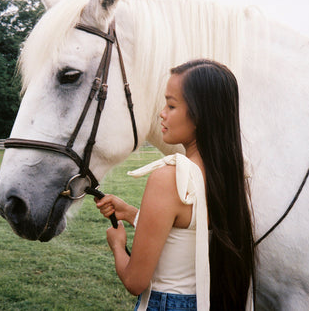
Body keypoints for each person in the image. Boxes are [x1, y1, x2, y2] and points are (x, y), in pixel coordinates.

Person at [95, 59, 255, 310]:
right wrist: (132, 214)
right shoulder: (229, 173)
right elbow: (191, 233)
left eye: (171, 105)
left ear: (201, 114)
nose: (162, 112)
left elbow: (135, 281)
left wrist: (117, 245)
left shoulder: (170, 177)